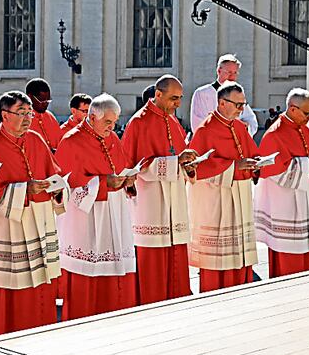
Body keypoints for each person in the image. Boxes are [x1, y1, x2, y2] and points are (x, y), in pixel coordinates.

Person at [0, 91, 65, 336]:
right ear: (5, 115)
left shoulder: (35, 140)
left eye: (29, 113)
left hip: (36, 221)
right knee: (6, 287)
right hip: (5, 228)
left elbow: (52, 171)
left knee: (38, 283)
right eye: (21, 113)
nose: (27, 119)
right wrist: (24, 189)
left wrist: (55, 189)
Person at [55, 93, 137, 320]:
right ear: (92, 117)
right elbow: (64, 185)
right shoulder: (71, 141)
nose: (112, 128)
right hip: (86, 219)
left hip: (113, 213)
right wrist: (101, 184)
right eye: (107, 122)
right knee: (87, 278)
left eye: (114, 122)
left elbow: (120, 167)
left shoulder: (112, 139)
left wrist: (126, 181)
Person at [121, 76, 196, 304]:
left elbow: (178, 154)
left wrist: (188, 164)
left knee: (175, 252)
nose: (178, 104)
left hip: (174, 199)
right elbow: (136, 167)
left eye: (180, 99)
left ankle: (177, 298)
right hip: (150, 203)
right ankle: (151, 302)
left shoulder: (173, 122)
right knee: (153, 258)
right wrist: (176, 161)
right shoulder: (139, 123)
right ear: (158, 94)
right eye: (174, 98)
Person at [186, 82, 259, 292]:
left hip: (240, 196)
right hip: (217, 202)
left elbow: (251, 153)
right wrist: (234, 166)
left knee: (239, 255)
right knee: (218, 262)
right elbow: (196, 170)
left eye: (243, 105)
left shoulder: (238, 127)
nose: (241, 110)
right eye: (237, 105)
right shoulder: (205, 130)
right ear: (221, 103)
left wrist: (258, 163)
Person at [254, 89, 309, 278]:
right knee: (290, 265)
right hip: (287, 208)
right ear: (292, 109)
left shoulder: (304, 128)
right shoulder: (274, 134)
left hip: (308, 204)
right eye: (307, 113)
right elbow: (276, 172)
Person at [189, 54, 259, 135]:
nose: (232, 77)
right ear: (219, 71)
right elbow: (197, 126)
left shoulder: (237, 95)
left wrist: (245, 127)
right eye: (229, 72)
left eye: (235, 73)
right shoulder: (202, 94)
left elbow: (251, 120)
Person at [26, 78, 62, 150]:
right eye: (42, 101)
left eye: (47, 101)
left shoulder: (50, 117)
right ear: (29, 97)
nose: (45, 104)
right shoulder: (21, 120)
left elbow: (60, 142)